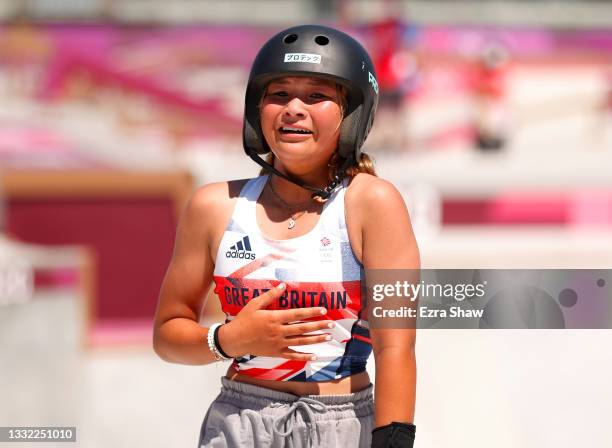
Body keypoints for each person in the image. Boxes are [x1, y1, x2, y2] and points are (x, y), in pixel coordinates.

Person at [153, 24, 419, 448]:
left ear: (352, 115)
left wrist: (393, 442)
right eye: (278, 94)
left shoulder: (373, 203)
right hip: (238, 423)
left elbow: (396, 350)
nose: (293, 108)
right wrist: (229, 340)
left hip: (341, 424)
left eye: (316, 96)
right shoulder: (214, 206)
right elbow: (167, 335)